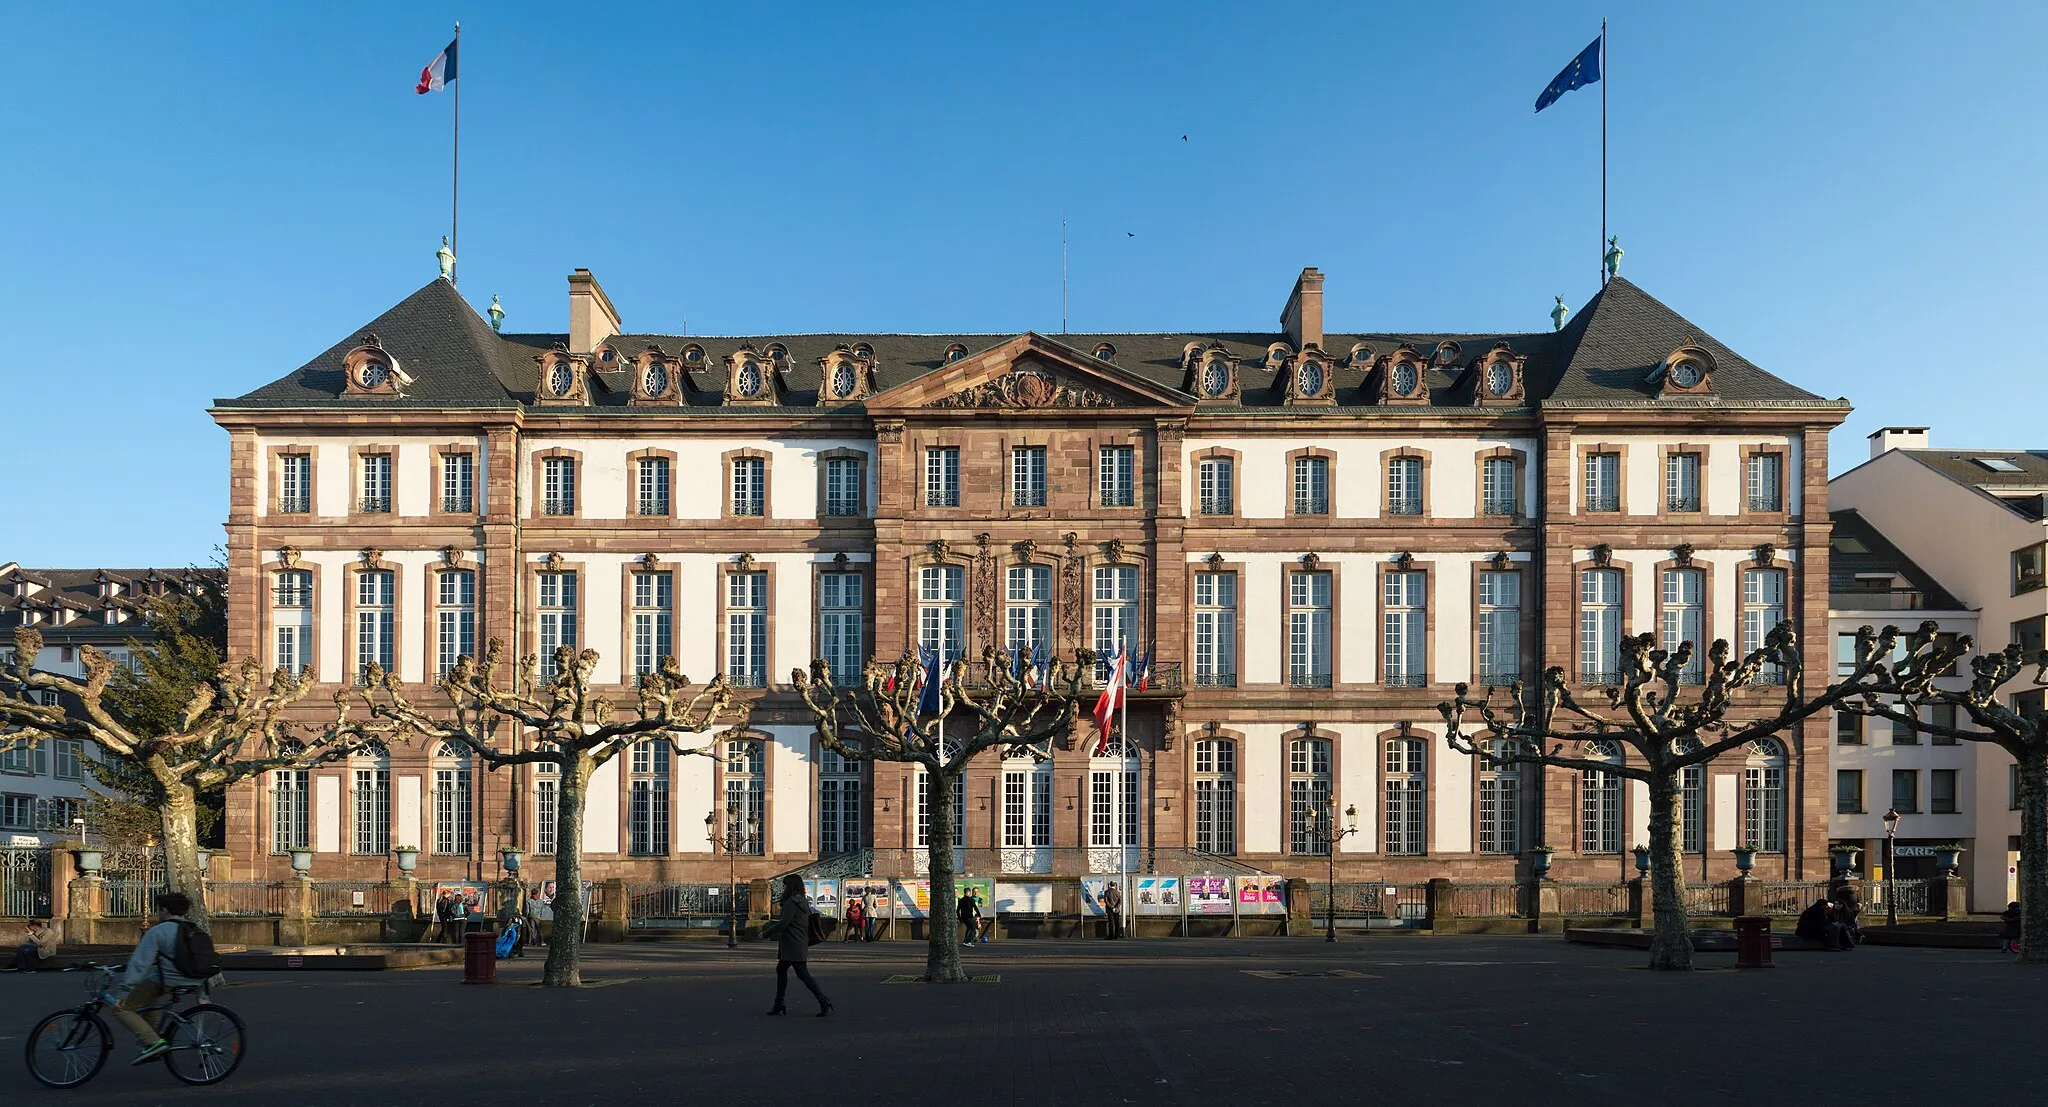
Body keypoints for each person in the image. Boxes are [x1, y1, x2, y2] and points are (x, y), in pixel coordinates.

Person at [112, 891, 207, 1065]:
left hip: (169, 980)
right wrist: (203, 993)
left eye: (159, 910)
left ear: (164, 910)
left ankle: (153, 1043)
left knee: (123, 1008)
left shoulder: (158, 931)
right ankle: (152, 1041)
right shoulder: (193, 928)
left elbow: (140, 963)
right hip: (194, 980)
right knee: (148, 1001)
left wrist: (123, 991)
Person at [768, 874, 832, 1017]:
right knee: (782, 969)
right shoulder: (802, 901)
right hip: (797, 941)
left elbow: (784, 923)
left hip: (793, 943)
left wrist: (765, 933)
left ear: (790, 886)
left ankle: (823, 1000)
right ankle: (779, 1002)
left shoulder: (792, 902)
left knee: (802, 973)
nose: (783, 888)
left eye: (785, 886)